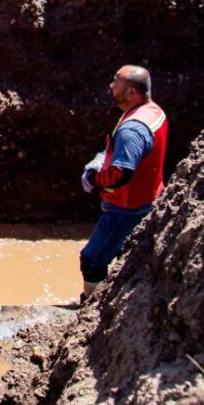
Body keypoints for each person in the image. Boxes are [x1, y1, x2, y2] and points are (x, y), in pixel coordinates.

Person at [79, 65, 168, 300]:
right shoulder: (153, 112)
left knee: (92, 258)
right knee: (126, 255)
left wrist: (93, 178)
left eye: (116, 82)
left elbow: (121, 172)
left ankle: (90, 309)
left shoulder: (133, 129)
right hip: (146, 198)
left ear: (131, 92)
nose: (111, 86)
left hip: (125, 207)